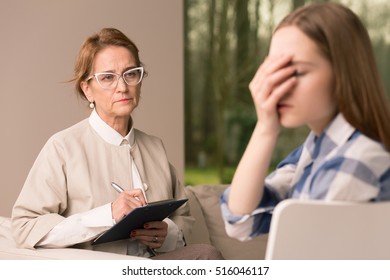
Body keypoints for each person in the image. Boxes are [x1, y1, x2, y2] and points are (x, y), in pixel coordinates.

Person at [12, 28, 222, 260]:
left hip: (153, 265)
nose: (122, 87)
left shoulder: (155, 147)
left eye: (131, 74)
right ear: (87, 89)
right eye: (108, 77)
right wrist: (107, 215)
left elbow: (183, 216)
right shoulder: (62, 147)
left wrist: (168, 233)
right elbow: (25, 227)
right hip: (98, 268)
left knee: (207, 255)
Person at [220, 2, 390, 241]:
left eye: (297, 72)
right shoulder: (315, 149)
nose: (278, 87)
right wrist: (265, 128)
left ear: (344, 74)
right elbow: (240, 221)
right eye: (275, 70)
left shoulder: (358, 158)